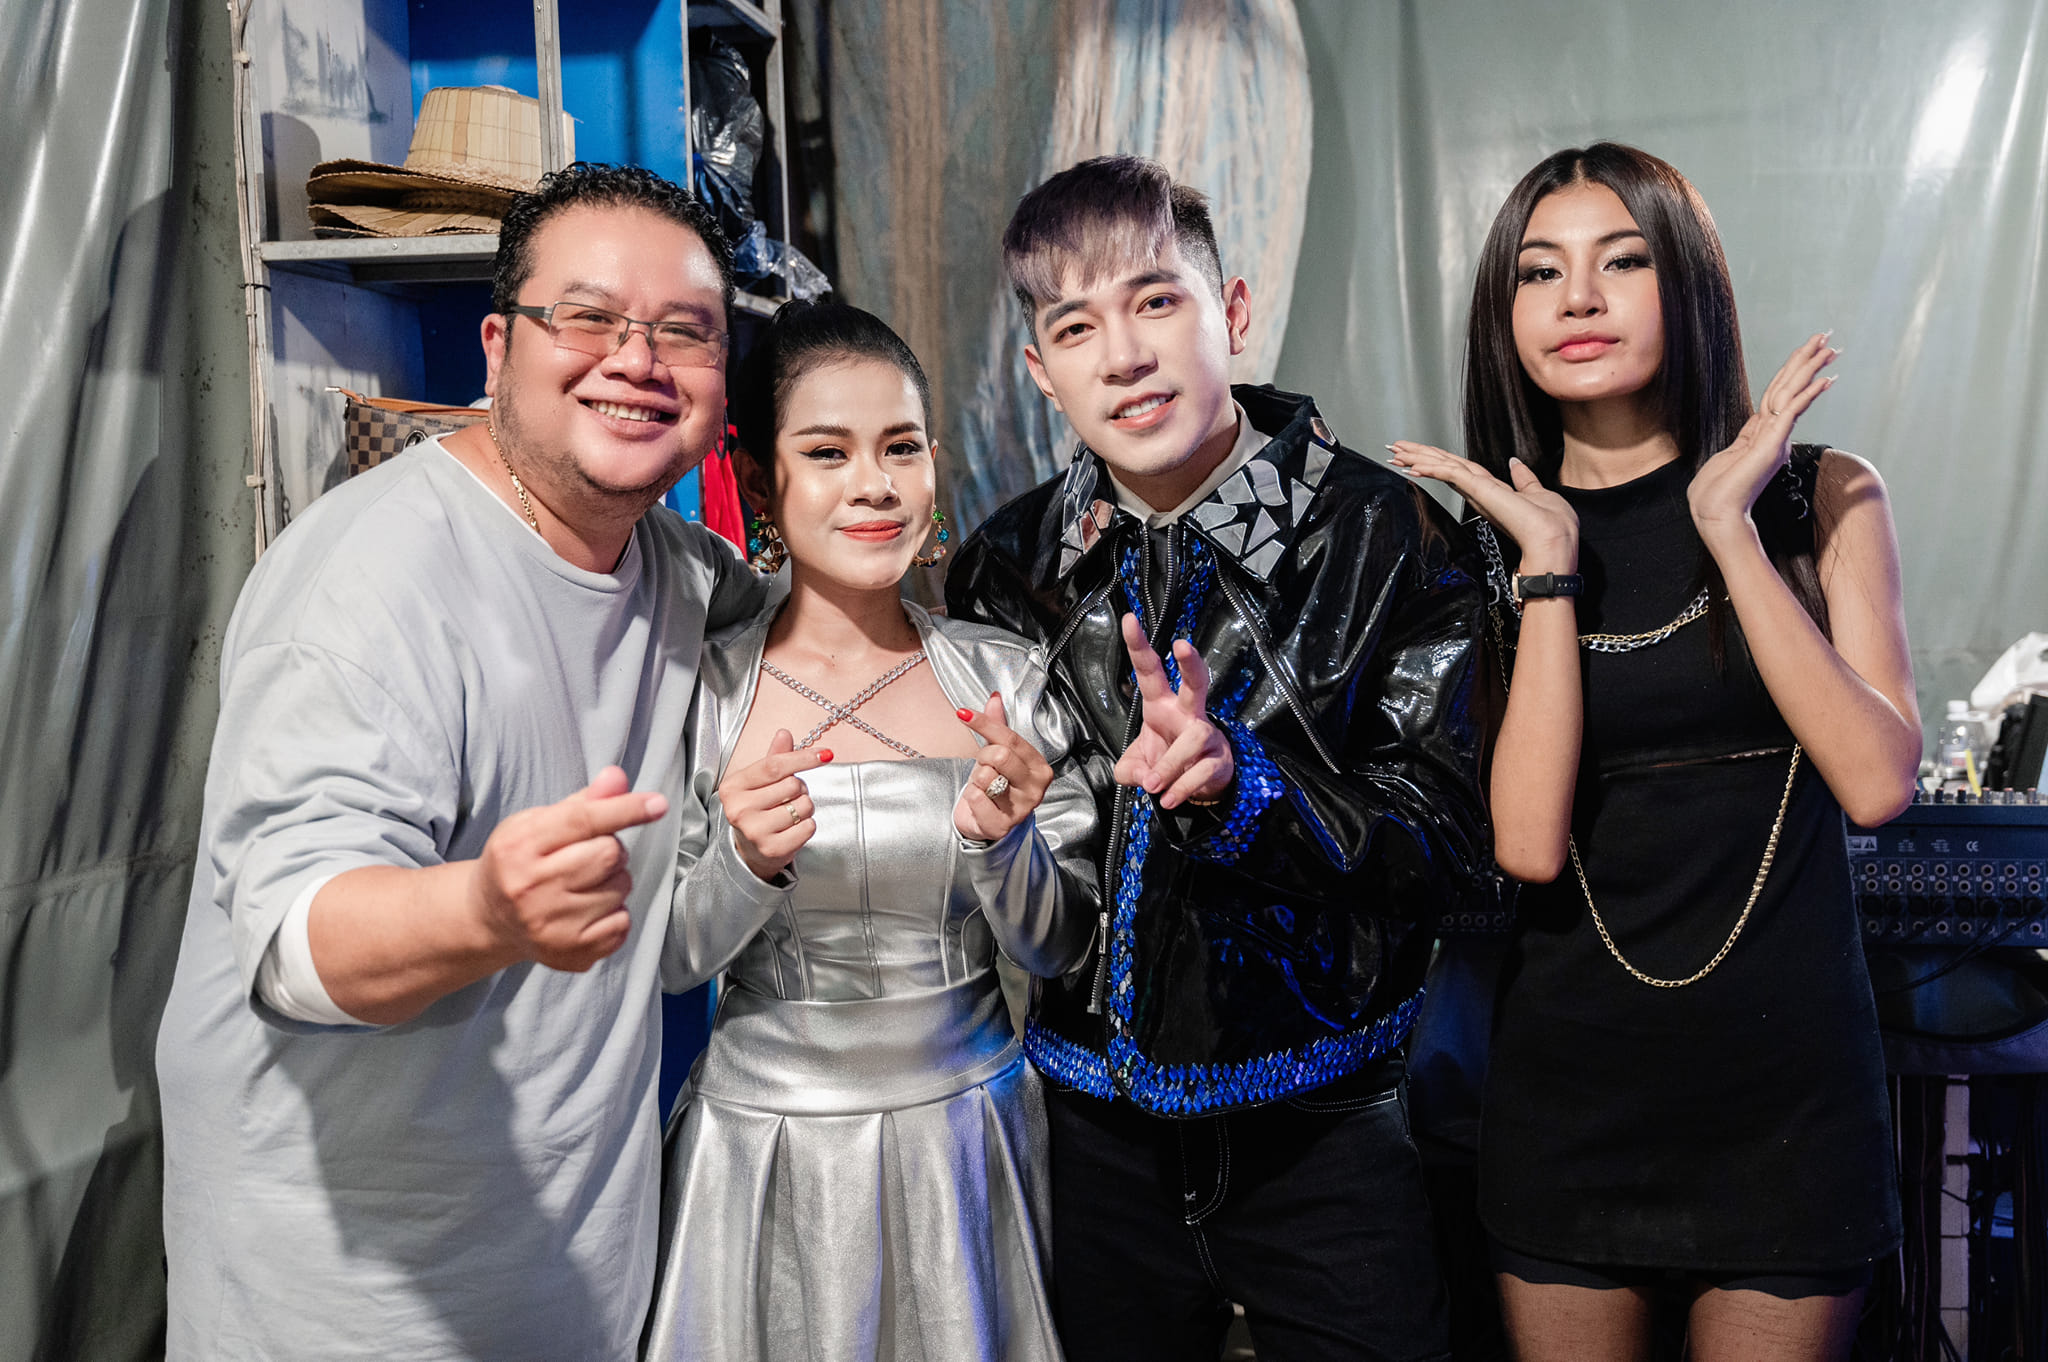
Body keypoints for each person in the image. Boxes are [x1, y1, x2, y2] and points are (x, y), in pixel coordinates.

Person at [155, 163, 773, 1361]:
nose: (636, 360)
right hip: (345, 1303)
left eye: (683, 332)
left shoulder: (680, 571)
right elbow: (294, 941)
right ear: (498, 348)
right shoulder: (371, 583)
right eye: (586, 316)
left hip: (571, 1276)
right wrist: (485, 909)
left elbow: (823, 634)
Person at [945, 155, 1494, 1362]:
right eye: (1074, 327)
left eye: (1155, 301)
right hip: (1086, 1137)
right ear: (1039, 370)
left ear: (1231, 312)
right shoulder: (1006, 566)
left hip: (1330, 1127)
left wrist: (1250, 790)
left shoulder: (1385, 537)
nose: (1121, 355)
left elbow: (1455, 846)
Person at [1390, 142, 1917, 1361]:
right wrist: (1547, 570)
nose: (1576, 298)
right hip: (1570, 1096)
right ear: (1503, 314)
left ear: (1685, 283)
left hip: (1786, 1100)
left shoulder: (1822, 497)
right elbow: (1524, 843)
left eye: (1619, 261)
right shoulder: (1479, 543)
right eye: (1538, 272)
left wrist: (1726, 528)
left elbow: (1875, 780)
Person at [641, 301, 1098, 1361]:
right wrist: (744, 863)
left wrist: (1004, 848)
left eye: (900, 447)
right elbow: (666, 959)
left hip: (968, 1138)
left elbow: (1061, 947)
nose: (874, 485)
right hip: (758, 1148)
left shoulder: (1004, 676)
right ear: (758, 482)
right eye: (827, 452)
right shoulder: (701, 692)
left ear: (934, 466)